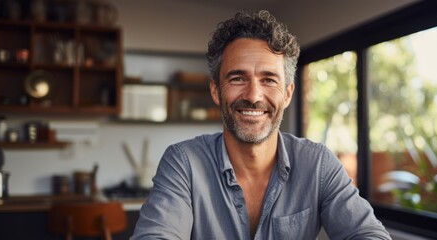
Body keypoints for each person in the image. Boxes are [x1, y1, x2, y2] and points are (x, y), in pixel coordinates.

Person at [131, 10, 391, 240]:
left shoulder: (319, 164)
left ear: (287, 93)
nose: (253, 96)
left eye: (268, 80)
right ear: (215, 90)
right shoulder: (184, 163)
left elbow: (367, 233)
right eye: (237, 78)